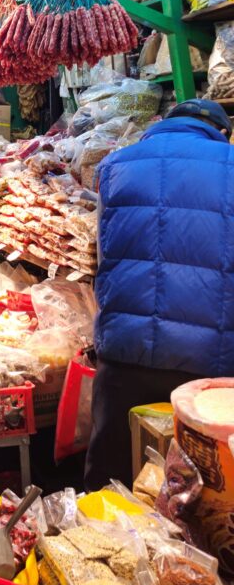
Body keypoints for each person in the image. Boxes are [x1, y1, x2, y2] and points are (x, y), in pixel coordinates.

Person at [85, 98, 234, 489]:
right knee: (200, 487)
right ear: (222, 132)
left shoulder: (116, 164)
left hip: (126, 350)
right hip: (211, 361)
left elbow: (102, 250)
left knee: (112, 474)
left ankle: (97, 520)